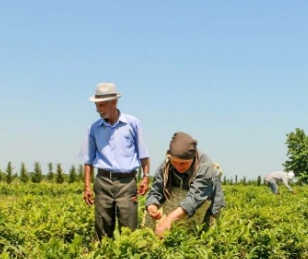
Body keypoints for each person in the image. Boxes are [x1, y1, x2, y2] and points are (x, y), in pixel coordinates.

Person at [79, 83, 151, 240]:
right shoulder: (94, 128)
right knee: (102, 227)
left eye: (102, 105)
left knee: (129, 227)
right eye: (97, 105)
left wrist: (145, 177)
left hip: (126, 182)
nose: (98, 109)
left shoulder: (132, 124)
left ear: (114, 103)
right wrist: (87, 187)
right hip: (103, 181)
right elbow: (88, 160)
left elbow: (143, 154)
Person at [145, 132, 225, 237]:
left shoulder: (204, 166)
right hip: (178, 203)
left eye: (183, 163)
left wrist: (169, 219)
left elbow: (194, 199)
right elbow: (156, 190)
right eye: (175, 162)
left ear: (192, 159)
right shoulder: (166, 165)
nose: (178, 167)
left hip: (205, 204)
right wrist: (152, 206)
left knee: (201, 235)